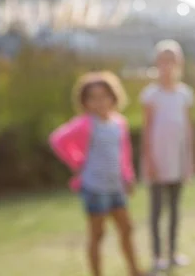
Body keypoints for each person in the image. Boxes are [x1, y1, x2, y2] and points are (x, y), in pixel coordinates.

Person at [49, 71, 145, 276]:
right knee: (97, 234)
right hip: (95, 188)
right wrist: (77, 161)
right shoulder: (85, 124)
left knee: (127, 229)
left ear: (113, 97)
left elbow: (124, 154)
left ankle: (135, 270)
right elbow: (57, 139)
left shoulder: (119, 123)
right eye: (93, 97)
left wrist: (128, 178)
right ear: (85, 102)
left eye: (104, 96)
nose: (99, 102)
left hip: (116, 186)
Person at [140, 39, 195, 272]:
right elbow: (146, 131)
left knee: (175, 209)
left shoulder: (185, 94)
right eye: (163, 60)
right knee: (156, 211)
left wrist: (190, 160)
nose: (167, 65)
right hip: (156, 160)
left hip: (178, 160)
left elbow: (189, 130)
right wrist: (150, 161)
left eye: (171, 60)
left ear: (179, 64)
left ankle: (172, 253)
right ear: (157, 63)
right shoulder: (150, 95)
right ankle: (156, 256)